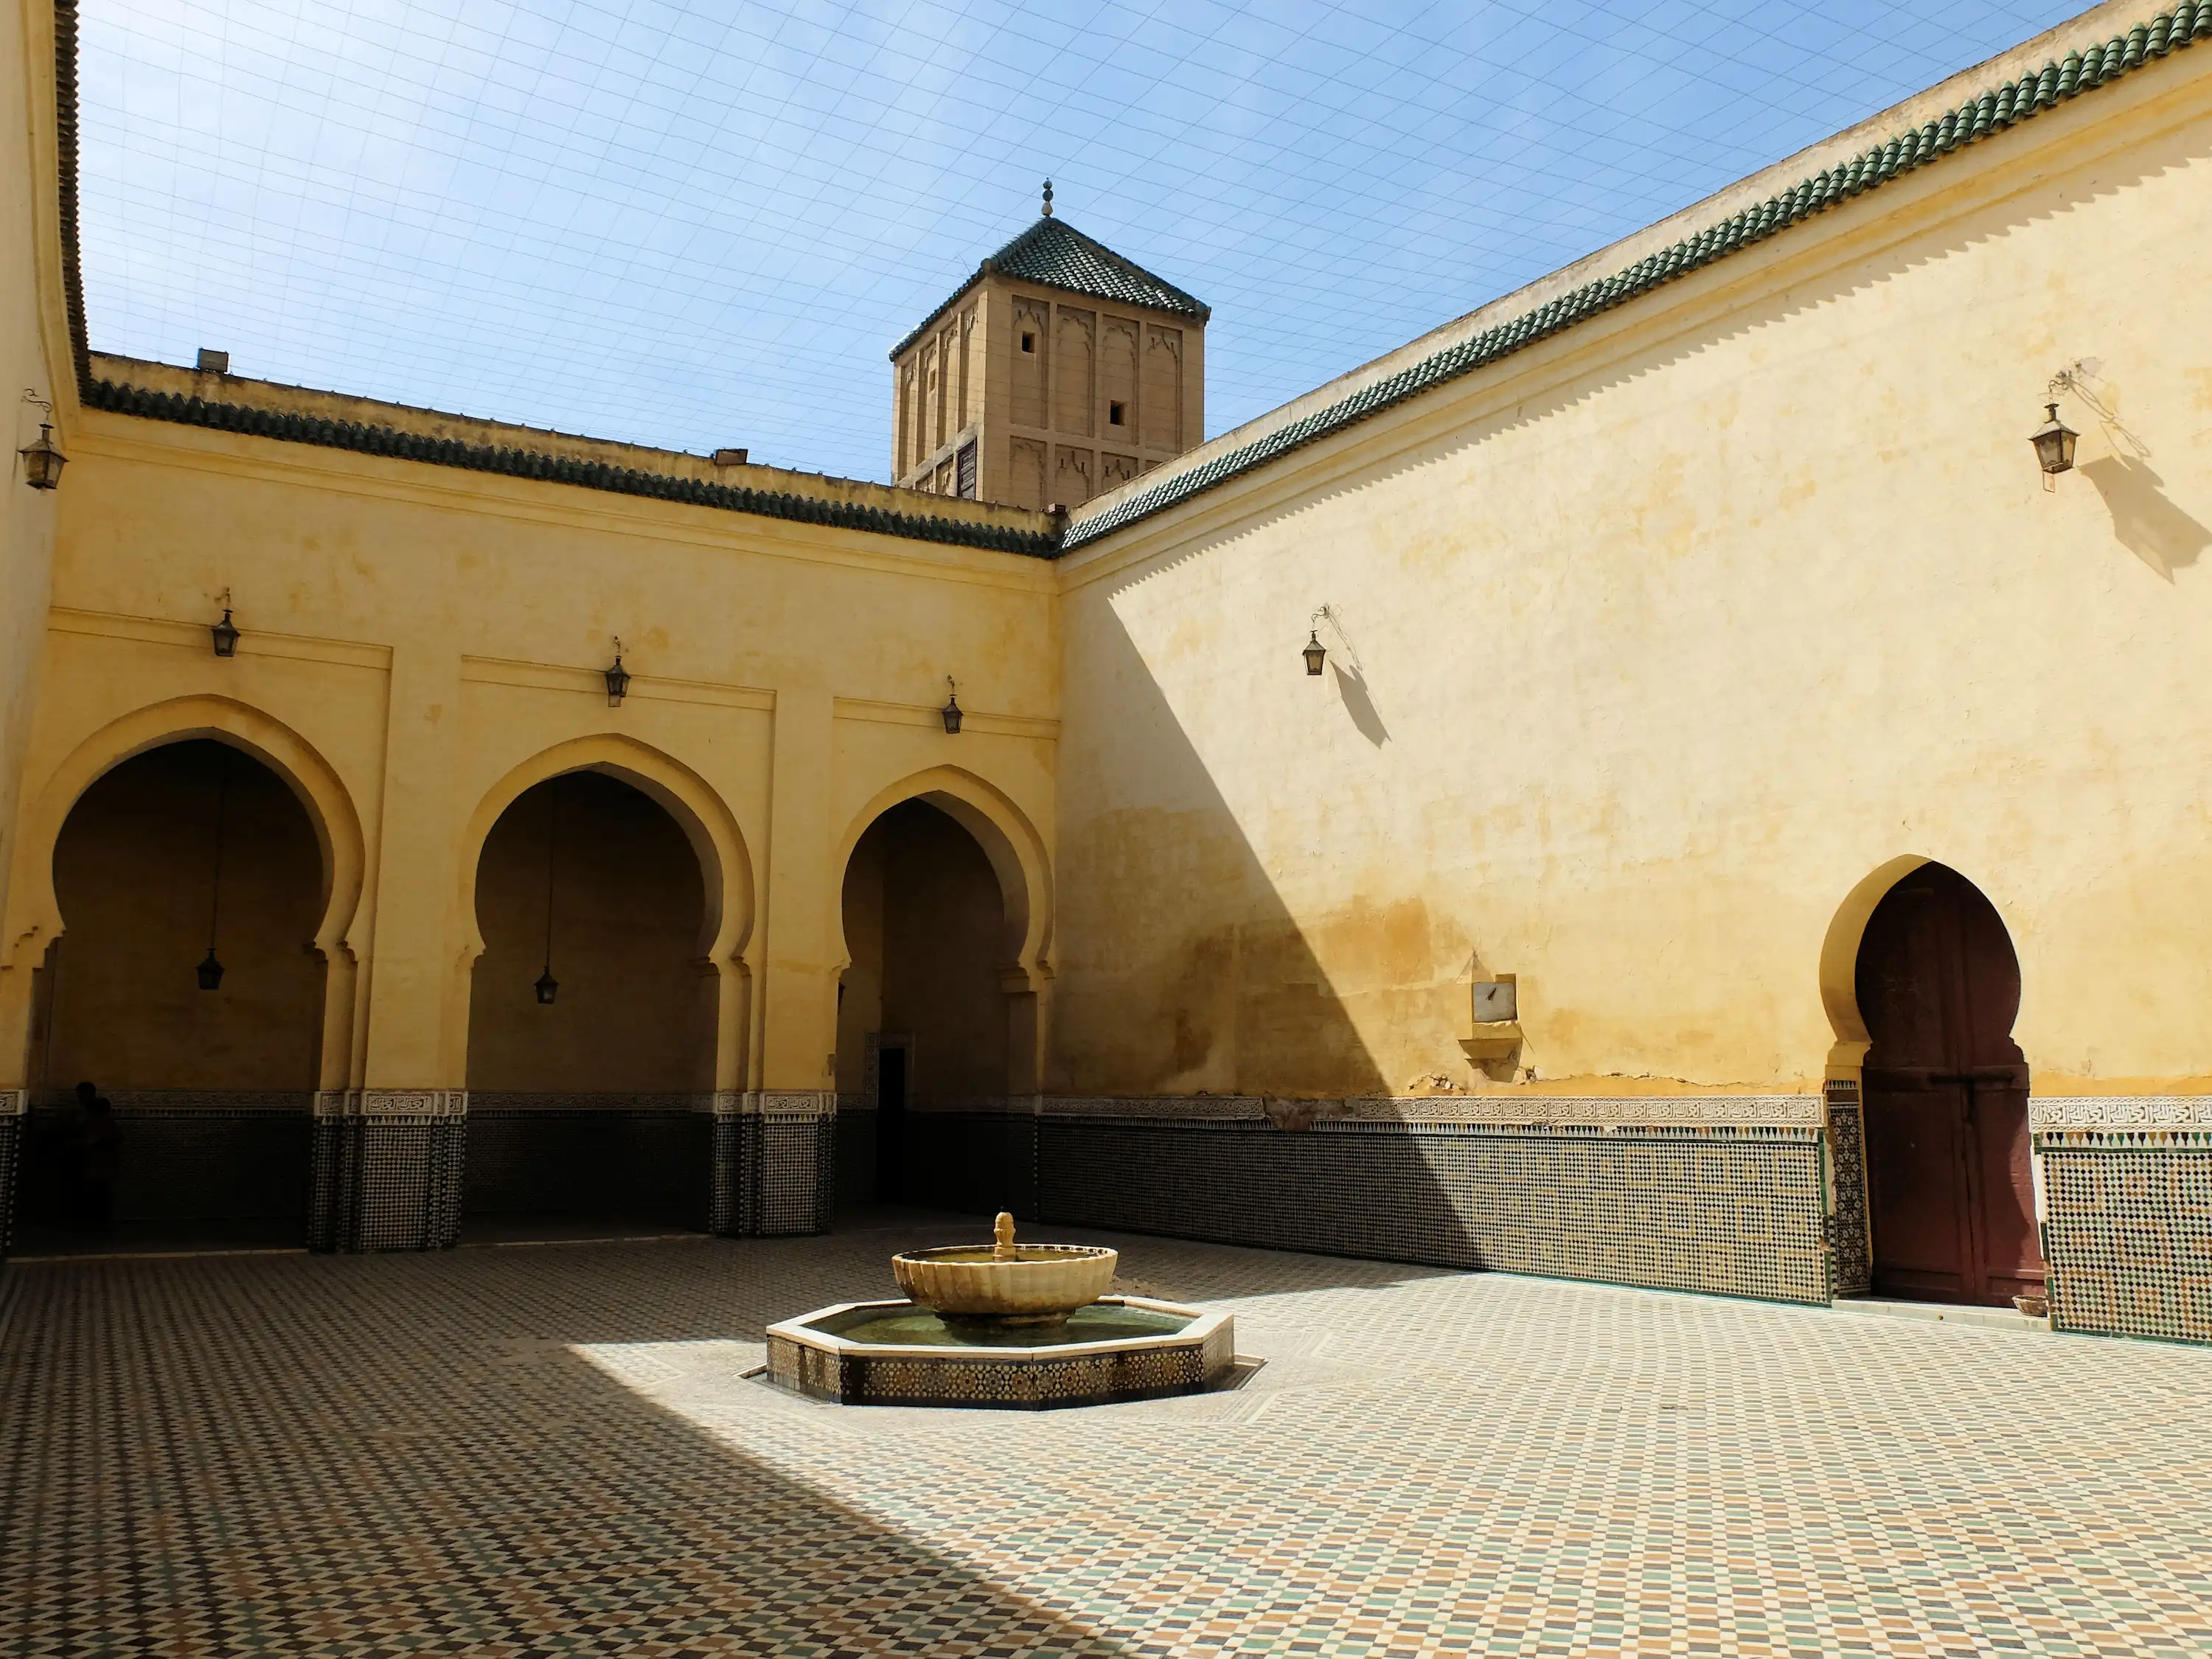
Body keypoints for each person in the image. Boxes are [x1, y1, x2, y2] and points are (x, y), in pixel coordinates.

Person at [72, 1080, 120, 1233]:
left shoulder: (101, 1124)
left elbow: (100, 1140)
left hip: (97, 1167)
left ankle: (95, 1226)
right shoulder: (97, 1122)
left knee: (97, 1196)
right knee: (98, 1195)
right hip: (95, 1167)